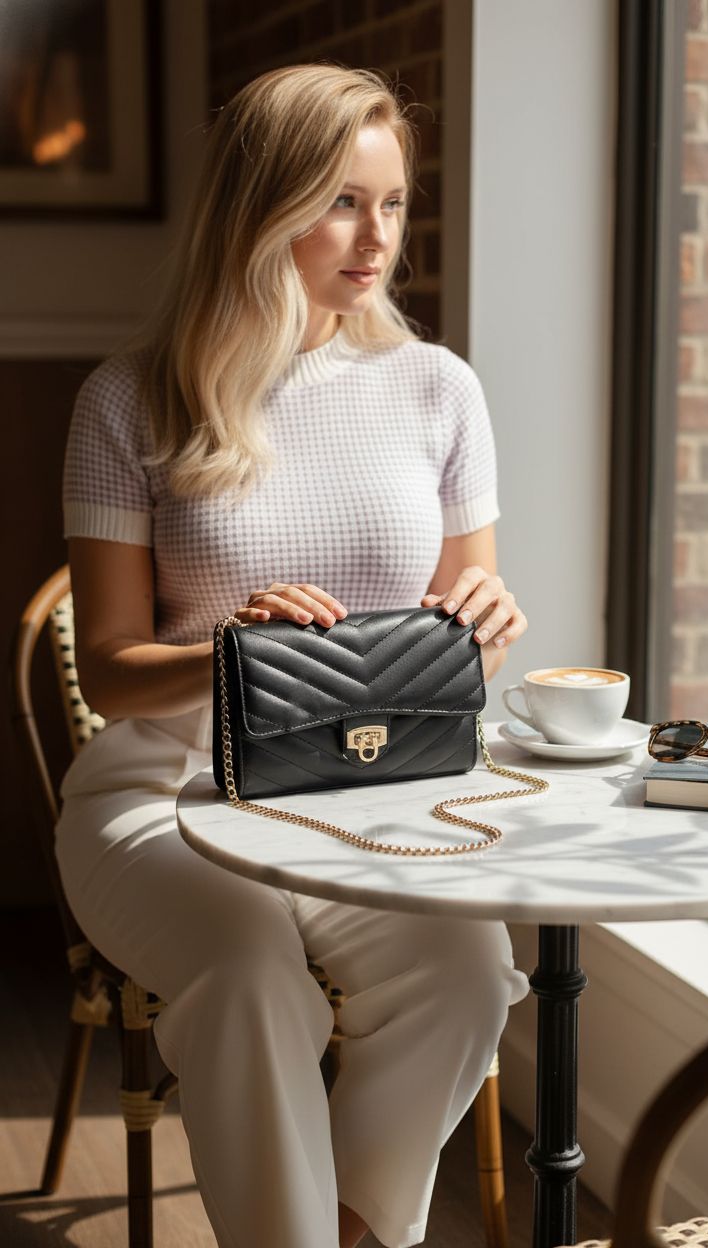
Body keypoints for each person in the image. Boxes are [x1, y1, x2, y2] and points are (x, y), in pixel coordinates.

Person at [55, 62, 531, 1248]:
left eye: (392, 202)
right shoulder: (131, 400)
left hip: (371, 786)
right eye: (338, 201)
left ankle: (353, 1235)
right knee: (252, 971)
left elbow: (451, 630)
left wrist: (483, 613)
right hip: (165, 788)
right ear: (259, 206)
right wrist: (230, 652)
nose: (375, 240)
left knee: (467, 971)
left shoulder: (437, 389)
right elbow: (109, 670)